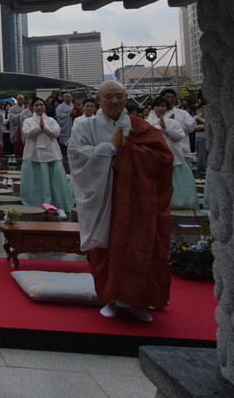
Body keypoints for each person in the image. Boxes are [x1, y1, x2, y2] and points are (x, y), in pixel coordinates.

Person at [68, 81, 173, 322]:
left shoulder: (140, 126)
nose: (115, 101)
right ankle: (111, 298)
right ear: (99, 99)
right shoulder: (86, 125)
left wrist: (131, 152)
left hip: (136, 200)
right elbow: (75, 154)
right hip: (104, 197)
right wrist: (110, 149)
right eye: (109, 97)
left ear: (126, 97)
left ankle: (137, 300)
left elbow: (162, 158)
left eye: (119, 96)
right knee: (107, 248)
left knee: (137, 247)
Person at [20, 98, 73, 217]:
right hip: (34, 153)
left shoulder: (51, 120)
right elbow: (27, 134)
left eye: (41, 105)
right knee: (36, 180)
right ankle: (36, 203)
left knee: (54, 179)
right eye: (36, 105)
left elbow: (56, 133)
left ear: (45, 107)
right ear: (32, 107)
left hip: (51, 153)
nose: (39, 107)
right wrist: (39, 127)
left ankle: (56, 203)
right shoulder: (28, 120)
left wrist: (44, 127)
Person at [148, 97, 198, 210]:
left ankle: (176, 202)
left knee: (175, 181)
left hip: (174, 155)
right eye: (157, 106)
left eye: (163, 106)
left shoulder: (173, 122)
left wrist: (165, 128)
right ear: (153, 107)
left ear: (167, 108)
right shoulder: (147, 122)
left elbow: (178, 137)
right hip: (154, 156)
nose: (160, 108)